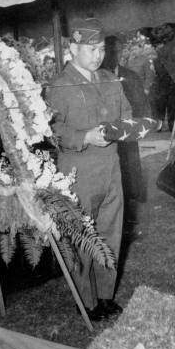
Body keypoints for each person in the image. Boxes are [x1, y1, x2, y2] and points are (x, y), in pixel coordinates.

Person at [45, 18, 132, 321]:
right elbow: (53, 129)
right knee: (83, 236)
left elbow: (126, 113)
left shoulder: (109, 78)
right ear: (73, 48)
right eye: (91, 49)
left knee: (110, 234)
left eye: (101, 49)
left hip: (111, 169)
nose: (97, 55)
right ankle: (88, 299)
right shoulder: (60, 85)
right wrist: (84, 137)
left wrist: (126, 128)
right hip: (78, 173)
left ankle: (105, 295)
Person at [102, 35, 150, 203]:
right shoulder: (96, 77)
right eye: (110, 51)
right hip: (106, 134)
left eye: (117, 51)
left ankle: (134, 198)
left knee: (131, 167)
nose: (114, 55)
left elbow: (142, 104)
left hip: (128, 132)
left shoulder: (131, 76)